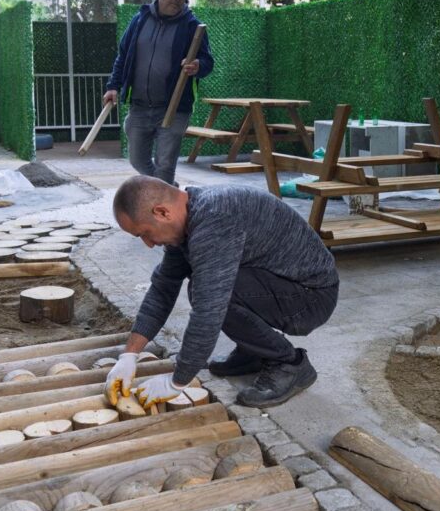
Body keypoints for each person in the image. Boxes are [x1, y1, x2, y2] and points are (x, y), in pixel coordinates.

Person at [104, 175, 340, 410]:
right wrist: (129, 355)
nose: (148, 244)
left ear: (162, 212)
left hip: (311, 297)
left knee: (210, 292)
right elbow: (163, 288)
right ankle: (254, 352)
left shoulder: (215, 221)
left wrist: (177, 381)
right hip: (284, 284)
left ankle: (290, 364)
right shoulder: (189, 220)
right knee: (210, 287)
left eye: (144, 233)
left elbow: (208, 310)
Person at [103, 0, 214, 185]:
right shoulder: (139, 20)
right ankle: (169, 189)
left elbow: (207, 61)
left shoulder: (192, 26)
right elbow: (123, 56)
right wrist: (113, 86)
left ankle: (164, 198)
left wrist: (197, 65)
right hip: (139, 107)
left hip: (174, 109)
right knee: (137, 159)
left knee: (165, 165)